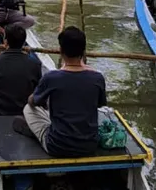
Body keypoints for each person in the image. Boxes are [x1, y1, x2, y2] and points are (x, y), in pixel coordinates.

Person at [18, 26, 106, 158]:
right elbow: (100, 105)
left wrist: (36, 96)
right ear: (83, 51)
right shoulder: (97, 78)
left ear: (61, 51)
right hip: (89, 146)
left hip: (57, 146)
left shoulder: (52, 77)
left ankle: (39, 134)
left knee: (28, 108)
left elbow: (33, 101)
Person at [0, 25, 42, 116]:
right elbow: (36, 88)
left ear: (5, 41)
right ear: (24, 42)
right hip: (24, 111)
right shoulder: (35, 63)